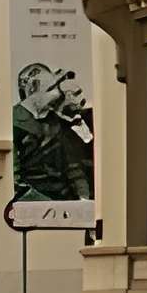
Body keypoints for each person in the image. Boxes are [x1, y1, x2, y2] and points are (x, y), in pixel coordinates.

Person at [12, 61, 93, 206]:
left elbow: (73, 167)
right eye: (51, 89)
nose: (57, 94)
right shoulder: (13, 122)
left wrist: (84, 199)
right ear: (32, 90)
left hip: (68, 203)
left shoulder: (55, 121)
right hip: (36, 206)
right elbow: (14, 179)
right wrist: (49, 204)